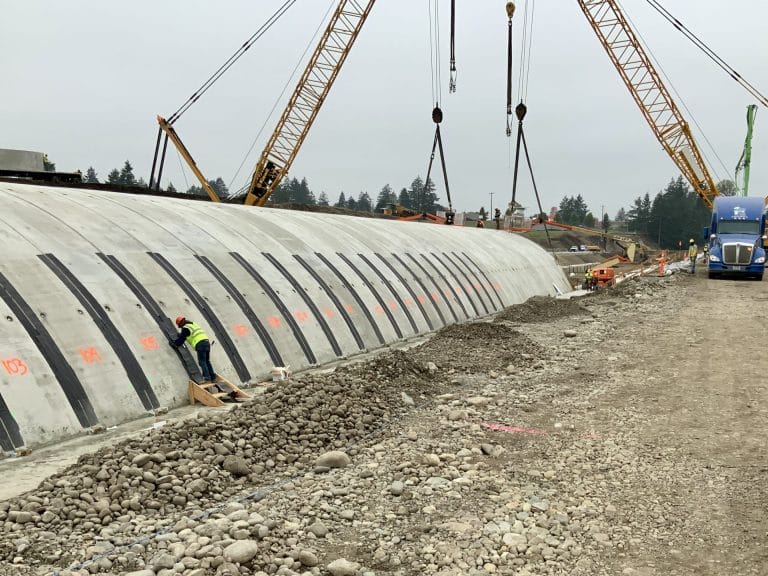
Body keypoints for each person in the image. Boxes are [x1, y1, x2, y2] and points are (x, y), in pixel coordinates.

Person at [171, 316, 218, 383]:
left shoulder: (185, 328)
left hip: (200, 344)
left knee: (202, 362)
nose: (181, 328)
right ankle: (213, 377)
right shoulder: (193, 324)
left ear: (180, 324)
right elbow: (188, 335)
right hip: (206, 343)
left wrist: (174, 343)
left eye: (180, 326)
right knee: (207, 361)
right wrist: (181, 335)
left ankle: (207, 377)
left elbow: (181, 340)